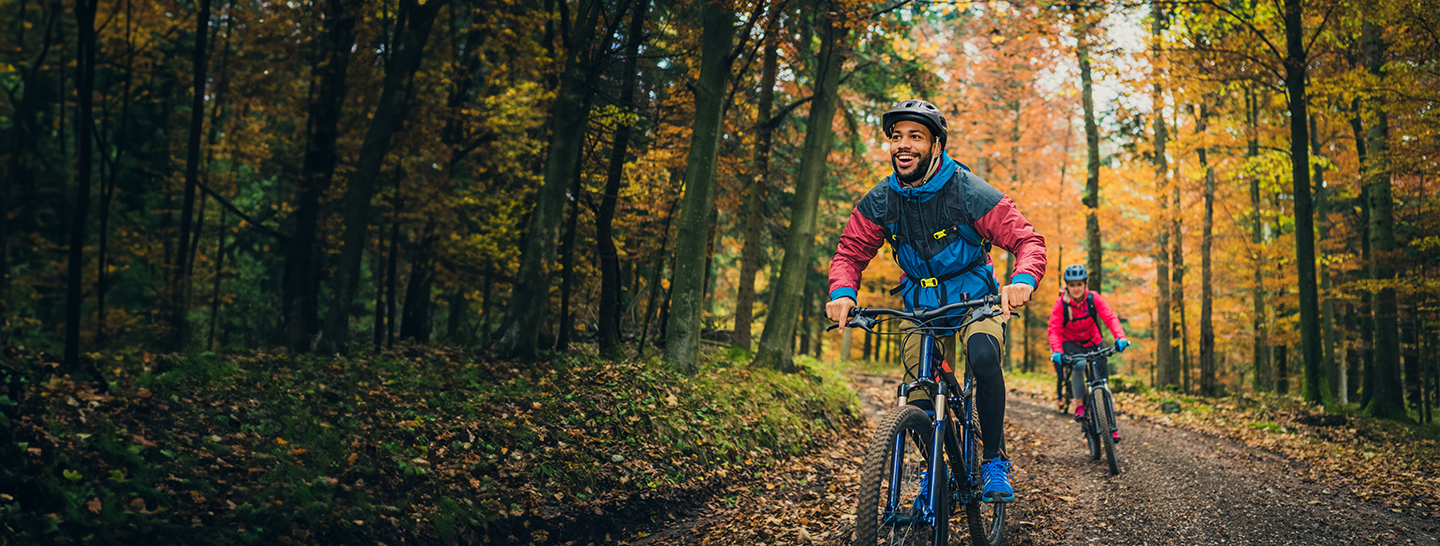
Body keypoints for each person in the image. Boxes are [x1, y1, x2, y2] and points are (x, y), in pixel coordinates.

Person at [825, 100, 1047, 503]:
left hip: (974, 298)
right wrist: (842, 293)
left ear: (937, 145)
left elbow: (1027, 240)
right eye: (896, 137)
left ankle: (994, 460)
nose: (902, 145)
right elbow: (850, 252)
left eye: (915, 136)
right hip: (920, 306)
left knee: (982, 357)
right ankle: (937, 467)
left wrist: (1022, 280)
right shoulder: (882, 200)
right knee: (919, 394)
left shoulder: (967, 190)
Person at [1047, 264, 1129, 443]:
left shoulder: (1094, 298)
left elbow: (1109, 316)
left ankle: (1110, 426)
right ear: (1067, 286)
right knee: (1080, 364)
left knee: (1103, 381)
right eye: (1072, 285)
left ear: (1085, 284)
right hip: (1072, 343)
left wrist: (1120, 337)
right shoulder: (1061, 303)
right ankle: (1079, 406)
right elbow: (1054, 329)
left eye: (1079, 284)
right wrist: (1057, 351)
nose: (1076, 288)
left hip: (1093, 341)